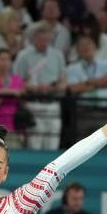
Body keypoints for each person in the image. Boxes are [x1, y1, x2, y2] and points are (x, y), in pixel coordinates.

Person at [13, 22, 66, 150]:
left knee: (53, 144)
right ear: (33, 39)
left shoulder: (57, 55)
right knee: (34, 144)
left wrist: (52, 87)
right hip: (33, 103)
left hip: (53, 103)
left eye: (46, 39)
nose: (44, 42)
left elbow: (63, 80)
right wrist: (32, 87)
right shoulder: (23, 56)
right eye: (40, 39)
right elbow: (16, 81)